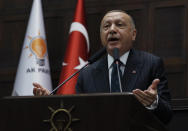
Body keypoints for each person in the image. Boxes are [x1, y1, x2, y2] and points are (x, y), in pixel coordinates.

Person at [33, 10, 172, 124]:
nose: (112, 30)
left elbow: (167, 116)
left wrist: (153, 103)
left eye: (119, 25)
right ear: (101, 36)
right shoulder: (87, 73)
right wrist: (50, 103)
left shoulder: (151, 64)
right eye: (106, 26)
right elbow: (76, 115)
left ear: (133, 34)